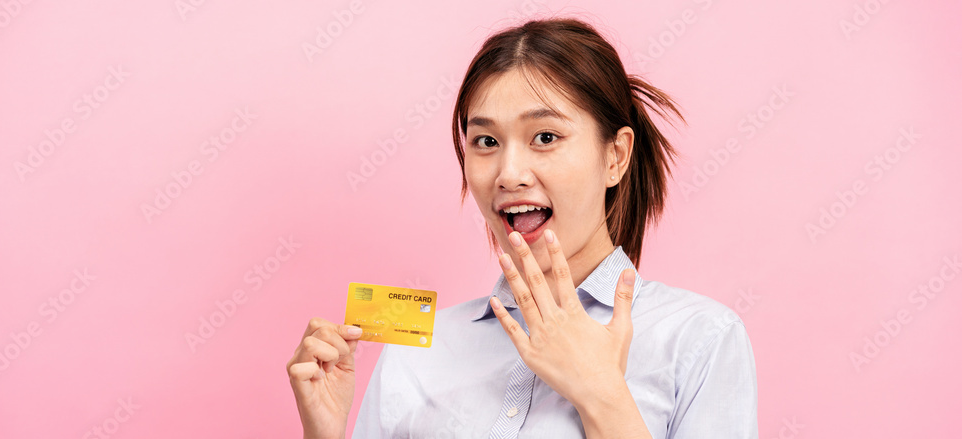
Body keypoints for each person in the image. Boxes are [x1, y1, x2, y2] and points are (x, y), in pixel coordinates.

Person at [287, 17, 758, 439]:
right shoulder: (418, 354)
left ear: (614, 156)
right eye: (486, 141)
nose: (509, 173)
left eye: (545, 137)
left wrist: (602, 397)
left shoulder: (700, 339)